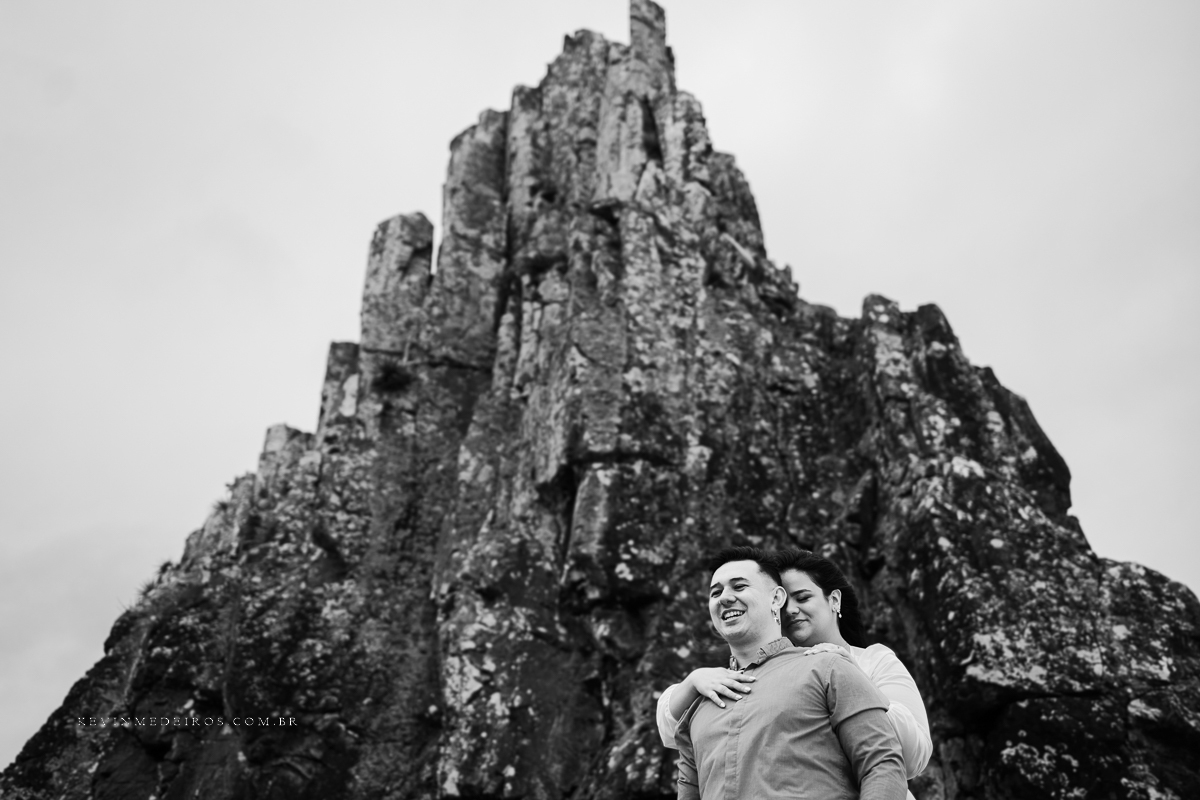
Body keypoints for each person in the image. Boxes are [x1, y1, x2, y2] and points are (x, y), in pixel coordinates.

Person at [659, 549, 932, 799]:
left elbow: (893, 760)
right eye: (714, 592)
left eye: (802, 597)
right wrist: (692, 681)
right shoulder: (715, 689)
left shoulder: (856, 663)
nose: (790, 609)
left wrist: (848, 675)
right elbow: (673, 730)